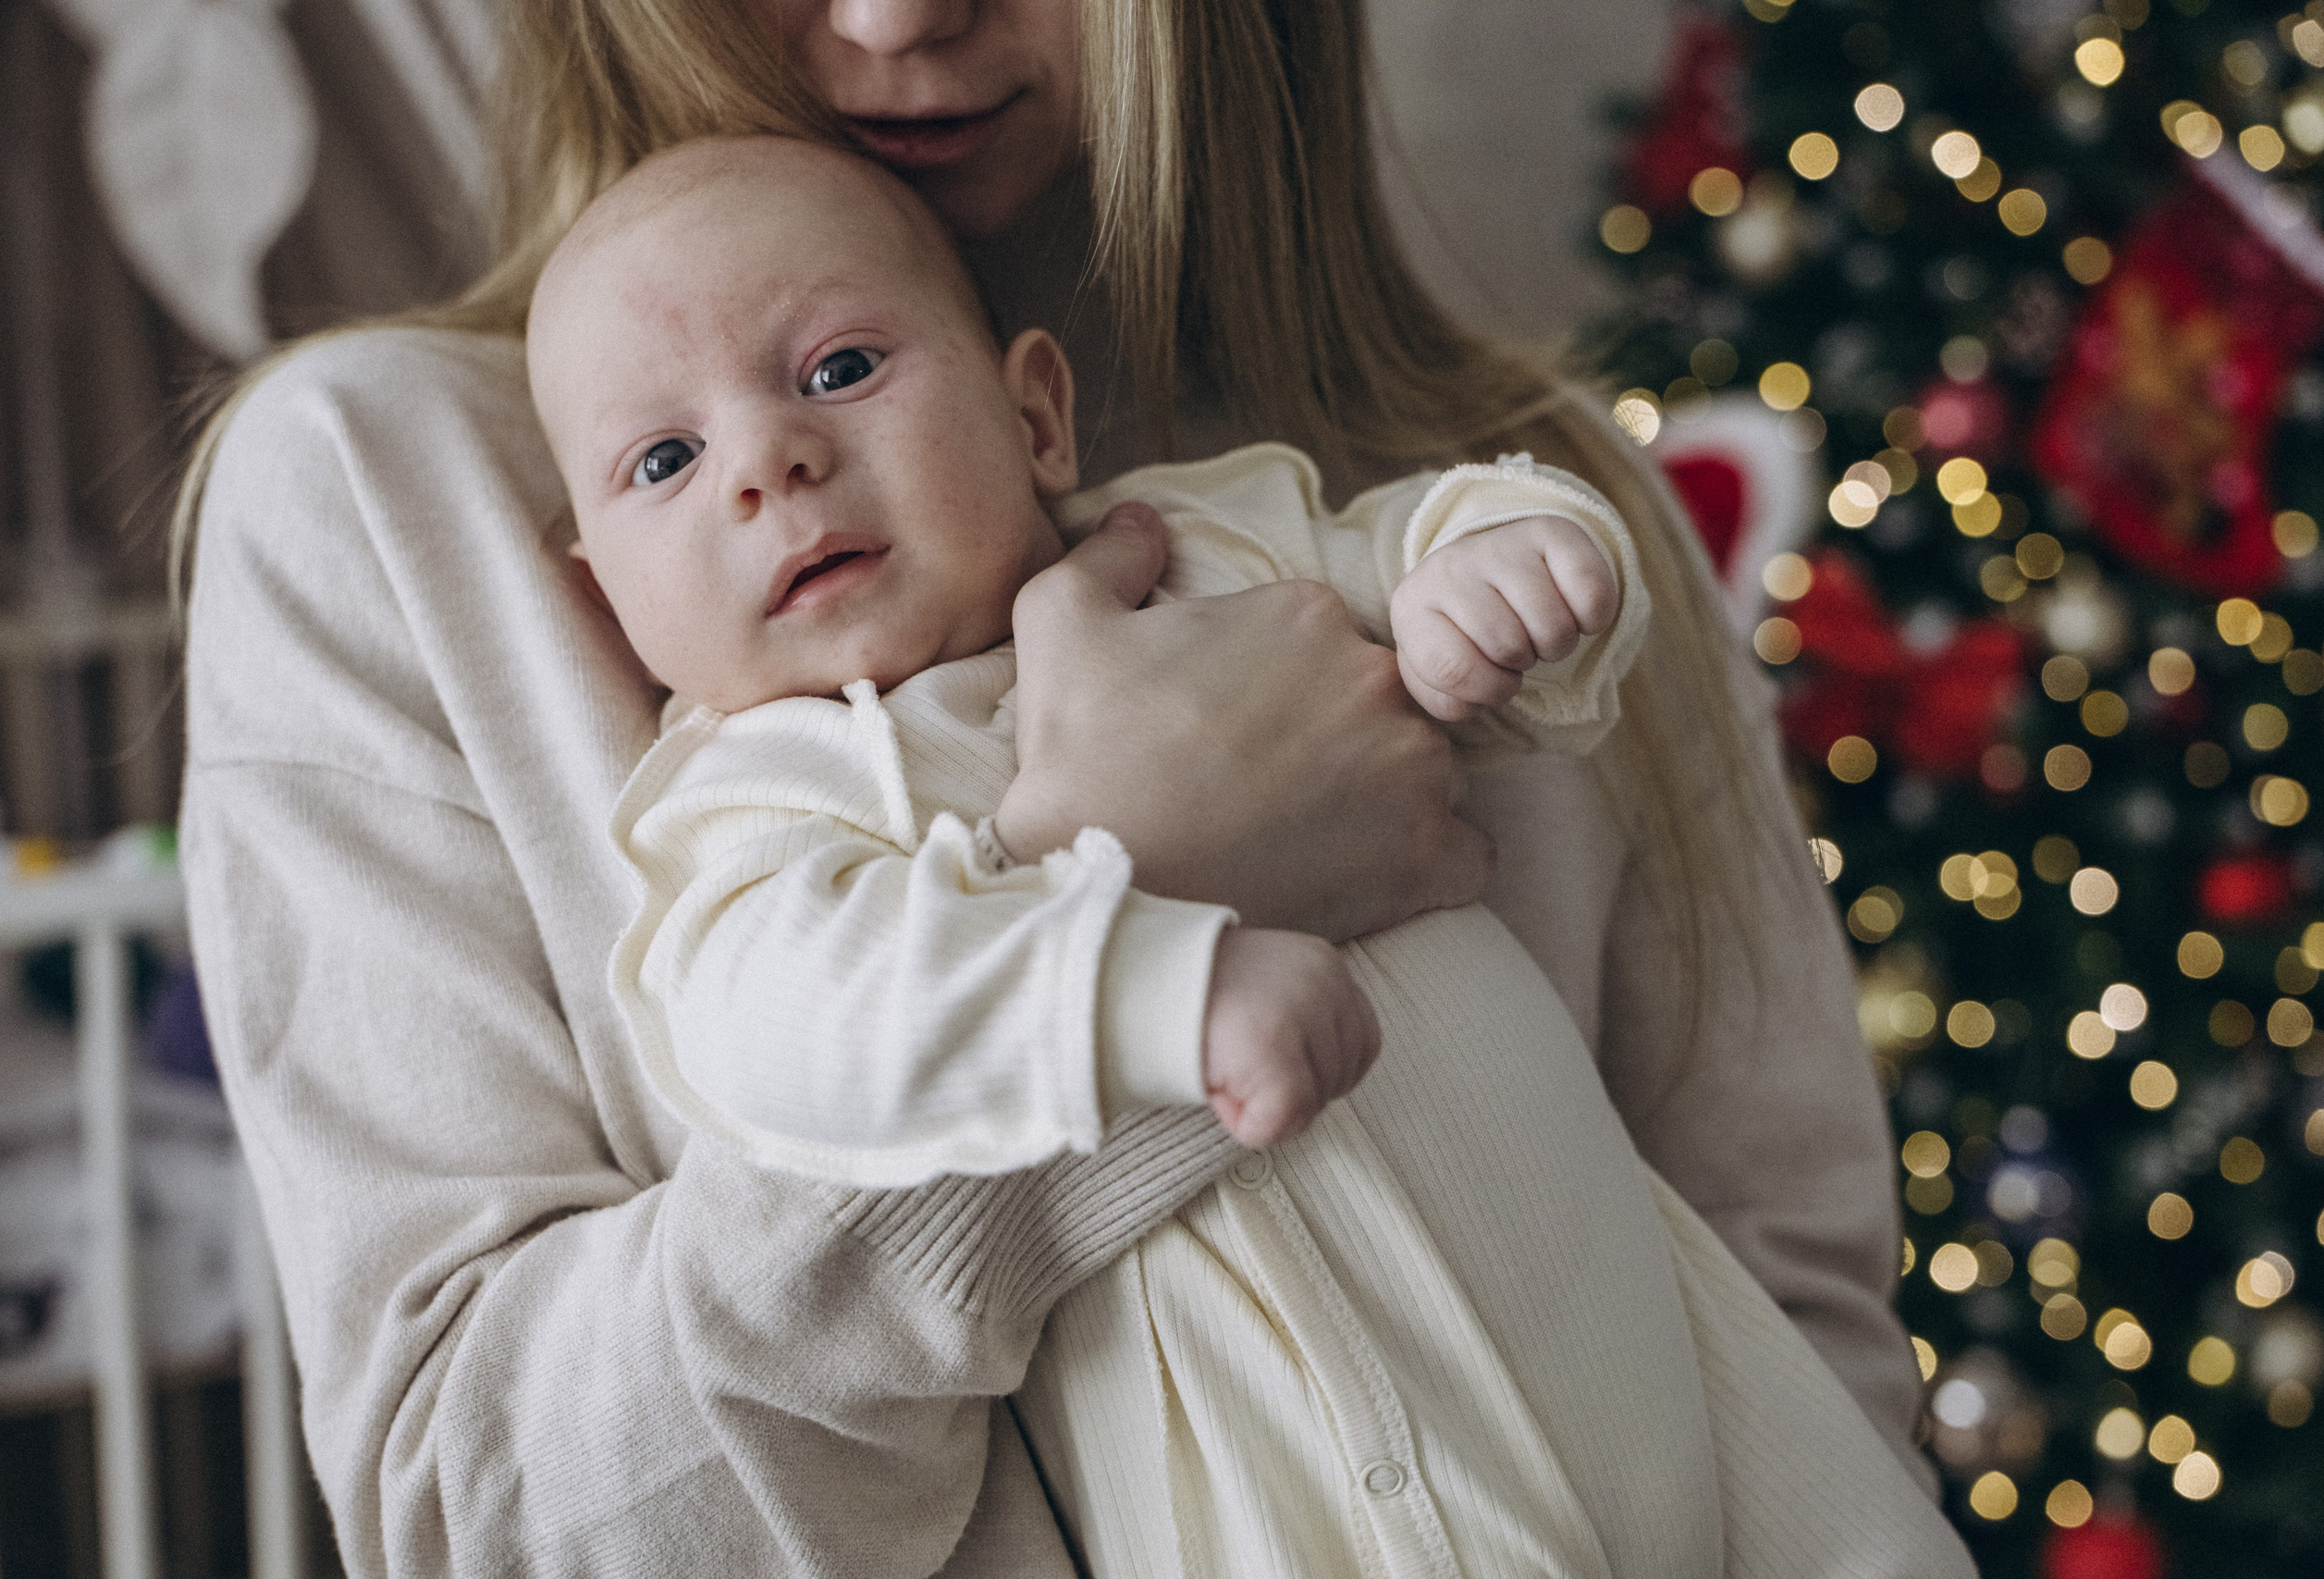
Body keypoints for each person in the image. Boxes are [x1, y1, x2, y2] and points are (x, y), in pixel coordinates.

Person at [176, 0, 1933, 1573]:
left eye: (846, 370)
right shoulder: (388, 503)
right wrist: (1132, 900)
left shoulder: (1520, 499)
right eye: (660, 459)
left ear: (1041, 418)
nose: (900, 18)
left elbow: (1798, 1326)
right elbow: (491, 1525)